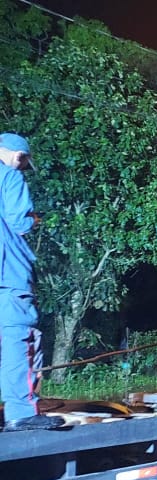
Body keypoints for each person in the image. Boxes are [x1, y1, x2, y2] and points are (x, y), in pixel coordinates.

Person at [0, 133, 63, 431]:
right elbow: (18, 221)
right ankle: (21, 411)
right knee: (18, 339)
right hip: (8, 275)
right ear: (17, 155)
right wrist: (33, 220)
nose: (22, 166)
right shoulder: (10, 177)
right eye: (23, 161)